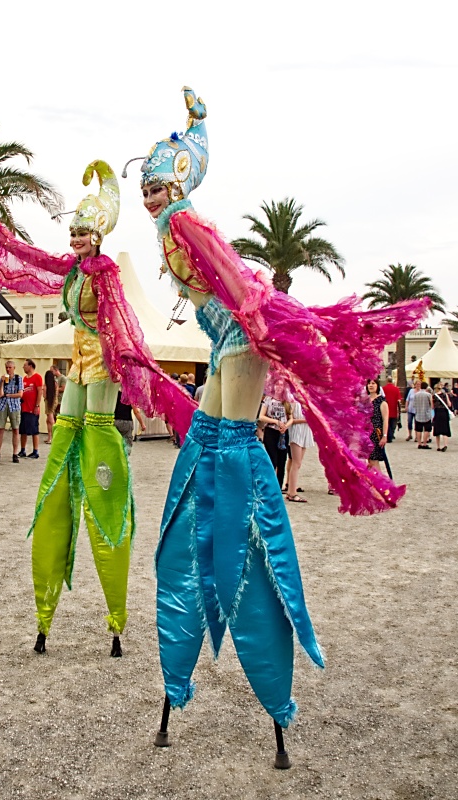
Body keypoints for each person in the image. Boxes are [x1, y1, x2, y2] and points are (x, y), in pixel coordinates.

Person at [128, 86, 428, 754]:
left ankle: (243, 544)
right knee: (207, 443)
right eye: (143, 184)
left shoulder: (186, 223)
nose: (148, 194)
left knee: (231, 449)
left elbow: (237, 285)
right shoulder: (166, 229)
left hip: (241, 342)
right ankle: (203, 563)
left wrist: (269, 333)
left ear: (177, 182)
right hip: (220, 344)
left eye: (157, 182)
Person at [0, 161, 195, 659]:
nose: (76, 241)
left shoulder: (105, 273)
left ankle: (114, 609)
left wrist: (131, 365)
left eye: (83, 234)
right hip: (77, 364)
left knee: (95, 425)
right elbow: (26, 258)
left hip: (101, 363)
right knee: (68, 426)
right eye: (73, 233)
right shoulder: (74, 270)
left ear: (98, 237)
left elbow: (121, 320)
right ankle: (47, 598)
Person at [259, 395, 293, 488]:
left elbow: (291, 418)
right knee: (272, 460)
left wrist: (286, 426)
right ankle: (269, 486)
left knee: (282, 462)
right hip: (271, 431)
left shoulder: (286, 399)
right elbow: (261, 416)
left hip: (283, 433)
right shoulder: (268, 399)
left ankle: (278, 487)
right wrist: (275, 422)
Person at [285, 400, 314, 503]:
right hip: (297, 431)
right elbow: (290, 419)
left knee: (298, 463)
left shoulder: (307, 400)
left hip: (305, 431)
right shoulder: (292, 401)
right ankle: (292, 492)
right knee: (296, 463)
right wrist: (307, 420)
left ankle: (290, 491)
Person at [0, 360, 23, 463]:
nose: (8, 369)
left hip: (14, 406)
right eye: (7, 367)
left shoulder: (18, 379)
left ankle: (15, 453)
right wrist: (2, 382)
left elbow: (20, 394)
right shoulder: (3, 379)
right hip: (3, 405)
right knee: (0, 429)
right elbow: (0, 394)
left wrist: (9, 395)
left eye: (10, 367)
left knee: (16, 429)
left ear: (14, 368)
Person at [18, 359, 43, 458]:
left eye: (25, 365)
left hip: (32, 408)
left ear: (30, 366)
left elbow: (39, 392)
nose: (23, 367)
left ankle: (35, 451)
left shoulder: (37, 377)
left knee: (34, 429)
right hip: (24, 407)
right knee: (23, 430)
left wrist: (37, 405)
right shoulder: (24, 379)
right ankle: (23, 450)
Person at [366, 379, 389, 472]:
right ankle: (373, 483)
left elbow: (385, 419)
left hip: (376, 434)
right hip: (365, 434)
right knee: (369, 461)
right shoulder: (365, 401)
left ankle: (380, 484)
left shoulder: (381, 402)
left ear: (377, 386)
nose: (371, 385)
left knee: (374, 461)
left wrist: (384, 436)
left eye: (373, 383)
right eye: (369, 383)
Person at [42, 365, 65, 445]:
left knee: (51, 420)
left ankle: (53, 437)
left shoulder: (46, 385)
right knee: (48, 420)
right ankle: (50, 437)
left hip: (48, 402)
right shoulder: (55, 384)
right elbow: (57, 392)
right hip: (54, 401)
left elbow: (44, 396)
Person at [414, 381, 434, 449]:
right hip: (426, 414)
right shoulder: (428, 395)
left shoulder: (416, 394)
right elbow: (431, 405)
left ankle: (419, 443)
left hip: (418, 414)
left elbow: (414, 404)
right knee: (426, 430)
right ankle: (425, 443)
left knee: (418, 430)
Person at [432, 382, 452, 451]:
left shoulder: (434, 396)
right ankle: (445, 445)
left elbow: (432, 406)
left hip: (437, 413)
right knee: (445, 430)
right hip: (444, 413)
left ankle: (438, 446)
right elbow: (449, 404)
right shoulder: (445, 394)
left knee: (437, 430)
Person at [382, 377, 402, 442]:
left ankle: (388, 435)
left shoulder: (383, 388)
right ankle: (391, 434)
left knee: (386, 422)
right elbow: (399, 400)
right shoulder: (396, 389)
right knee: (392, 423)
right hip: (393, 408)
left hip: (386, 408)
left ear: (387, 381)